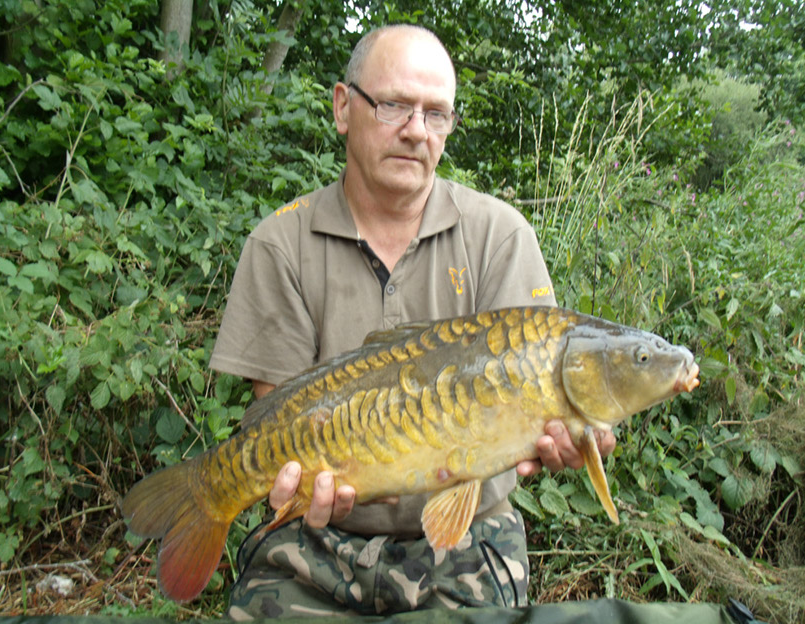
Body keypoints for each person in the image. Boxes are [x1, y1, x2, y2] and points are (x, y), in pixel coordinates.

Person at [209, 24, 615, 619]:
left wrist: (581, 433)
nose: (416, 131)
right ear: (343, 107)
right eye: (394, 105)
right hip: (313, 538)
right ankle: (207, 497)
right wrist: (294, 487)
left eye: (437, 114)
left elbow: (549, 396)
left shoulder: (500, 235)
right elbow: (281, 419)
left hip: (469, 537)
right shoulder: (279, 244)